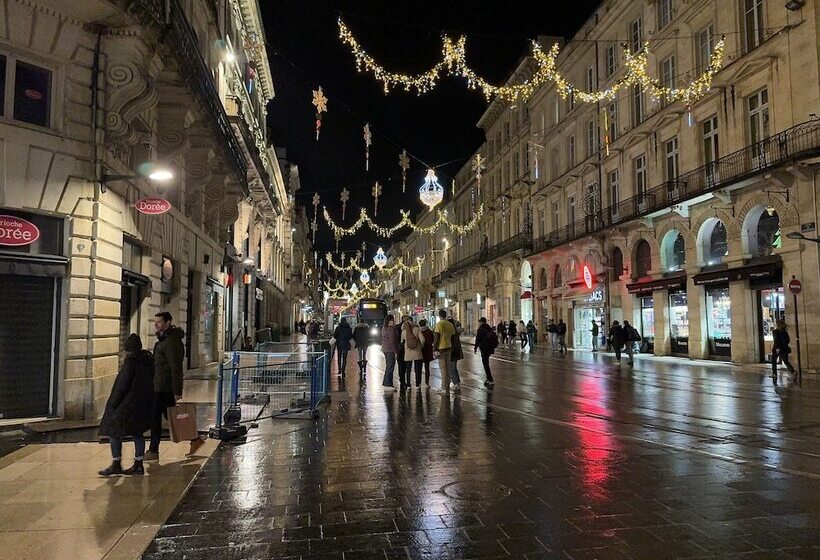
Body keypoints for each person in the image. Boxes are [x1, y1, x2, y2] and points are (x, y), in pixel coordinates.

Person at [146, 312, 203, 461]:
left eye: (159, 322)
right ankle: (195, 439)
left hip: (165, 388)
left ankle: (153, 450)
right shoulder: (165, 339)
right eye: (155, 321)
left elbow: (175, 368)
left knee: (156, 418)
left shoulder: (171, 342)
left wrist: (177, 392)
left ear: (168, 322)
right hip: (160, 386)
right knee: (175, 417)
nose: (156, 324)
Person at [98, 334, 154, 476]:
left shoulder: (130, 363)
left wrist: (112, 404)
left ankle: (116, 463)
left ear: (128, 349)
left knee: (113, 430)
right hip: (142, 403)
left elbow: (121, 386)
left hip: (128, 404)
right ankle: (138, 464)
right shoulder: (147, 360)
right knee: (137, 433)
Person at [433, 310, 456, 394]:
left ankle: (443, 387)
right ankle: (447, 385)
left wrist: (434, 349)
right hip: (449, 348)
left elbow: (436, 338)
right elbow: (453, 337)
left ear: (439, 316)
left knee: (443, 369)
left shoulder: (439, 324)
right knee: (448, 368)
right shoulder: (450, 324)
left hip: (441, 349)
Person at [401, 318, 425, 388]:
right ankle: (418, 385)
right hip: (417, 351)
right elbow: (423, 340)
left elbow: (402, 342)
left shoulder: (403, 332)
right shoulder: (417, 329)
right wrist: (420, 347)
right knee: (418, 369)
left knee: (408, 370)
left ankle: (408, 385)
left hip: (408, 353)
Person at [474, 317, 497, 387]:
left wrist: (475, 348)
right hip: (490, 348)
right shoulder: (489, 328)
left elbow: (477, 339)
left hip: (484, 348)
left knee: (485, 364)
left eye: (480, 322)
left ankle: (490, 379)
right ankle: (488, 378)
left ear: (482, 322)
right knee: (486, 363)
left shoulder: (480, 329)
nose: (479, 323)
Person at [381, 315, 399, 391]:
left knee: (388, 366)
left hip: (385, 349)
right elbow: (392, 341)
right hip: (390, 350)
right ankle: (388, 384)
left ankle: (387, 383)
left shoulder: (384, 327)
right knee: (390, 367)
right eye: (393, 319)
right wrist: (395, 352)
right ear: (391, 320)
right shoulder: (391, 328)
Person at [448, 316, 463, 388]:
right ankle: (456, 382)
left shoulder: (452, 332)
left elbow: (453, 343)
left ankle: (456, 383)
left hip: (453, 352)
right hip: (456, 352)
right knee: (453, 367)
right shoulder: (454, 330)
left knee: (452, 368)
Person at [419, 319, 435, 386]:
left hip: (420, 351)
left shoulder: (418, 332)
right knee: (427, 367)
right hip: (428, 351)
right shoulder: (429, 331)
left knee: (419, 368)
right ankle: (427, 383)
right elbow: (432, 340)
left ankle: (418, 383)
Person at [396, 316, 410, 390]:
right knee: (407, 366)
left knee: (400, 365)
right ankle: (407, 382)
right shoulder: (410, 327)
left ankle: (402, 380)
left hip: (399, 349)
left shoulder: (396, 327)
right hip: (407, 349)